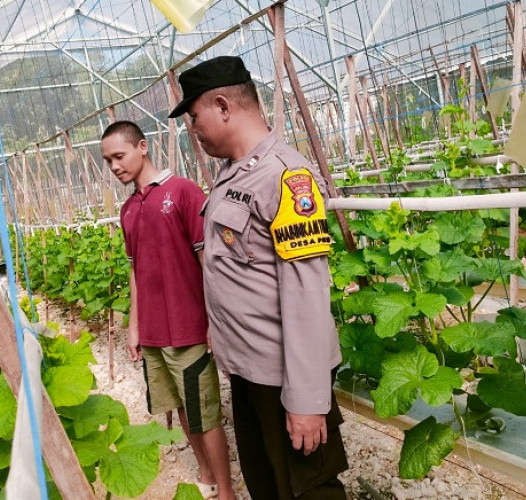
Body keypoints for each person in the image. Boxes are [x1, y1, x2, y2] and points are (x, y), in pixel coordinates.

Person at [169, 56, 348, 499]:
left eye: (195, 118)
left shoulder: (286, 177)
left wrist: (307, 402)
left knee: (308, 487)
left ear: (224, 106)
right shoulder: (232, 174)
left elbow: (306, 297)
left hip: (283, 375)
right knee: (266, 482)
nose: (194, 130)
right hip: (248, 370)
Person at [101, 121, 235, 500]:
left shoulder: (183, 192)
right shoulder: (128, 209)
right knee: (178, 409)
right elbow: (136, 271)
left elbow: (209, 260)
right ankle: (206, 478)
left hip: (190, 328)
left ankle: (227, 492)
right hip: (154, 334)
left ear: (142, 147)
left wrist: (214, 320)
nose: (114, 166)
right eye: (108, 160)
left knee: (204, 414)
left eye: (119, 155)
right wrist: (133, 327)